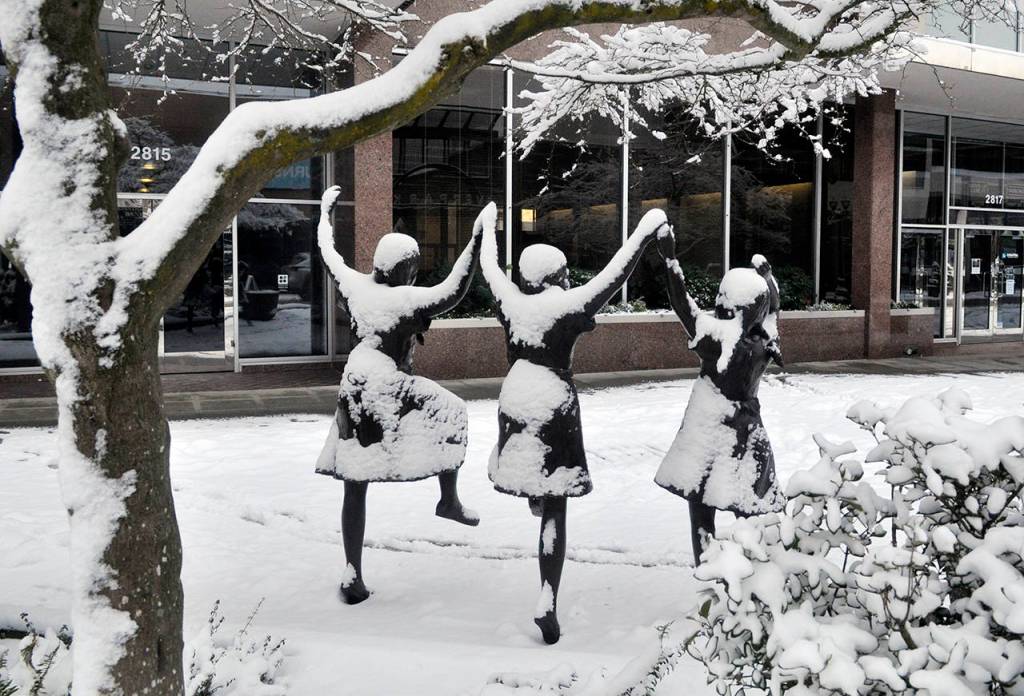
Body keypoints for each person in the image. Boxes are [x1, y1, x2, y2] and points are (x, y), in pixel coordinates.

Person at [478, 202, 667, 644]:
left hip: (516, 396)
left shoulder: (512, 303)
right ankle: (547, 595)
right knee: (556, 506)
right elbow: (612, 276)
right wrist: (644, 233)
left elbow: (488, 269)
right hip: (553, 401)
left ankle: (534, 495)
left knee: (536, 482)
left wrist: (486, 229)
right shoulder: (567, 306)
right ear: (557, 277)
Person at [316, 185, 482, 605]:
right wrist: (478, 238)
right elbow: (453, 290)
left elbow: (328, 255)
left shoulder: (356, 286)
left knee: (355, 483)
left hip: (355, 380)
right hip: (386, 381)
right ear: (407, 270)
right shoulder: (405, 300)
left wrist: (325, 214)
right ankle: (448, 499)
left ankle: (352, 573)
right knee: (453, 409)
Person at [653, 227, 786, 564]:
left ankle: (707, 570)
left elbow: (683, 305)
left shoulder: (718, 340)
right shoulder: (765, 341)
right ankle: (754, 566)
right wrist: (769, 281)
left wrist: (670, 259)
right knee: (751, 504)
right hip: (747, 429)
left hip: (709, 424)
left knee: (700, 502)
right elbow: (774, 313)